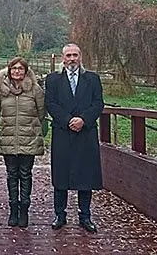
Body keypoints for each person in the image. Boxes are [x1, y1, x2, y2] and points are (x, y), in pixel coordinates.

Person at [45, 43, 104, 233]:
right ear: (63, 58)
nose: (72, 59)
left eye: (75, 55)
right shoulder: (53, 80)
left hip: (85, 133)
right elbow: (50, 103)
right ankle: (60, 215)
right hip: (63, 132)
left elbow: (98, 103)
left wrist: (83, 120)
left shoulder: (92, 79)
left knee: (85, 175)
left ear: (80, 56)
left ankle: (85, 216)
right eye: (68, 55)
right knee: (61, 175)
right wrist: (69, 120)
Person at [0, 57, 46, 228]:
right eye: (13, 68)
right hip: (9, 138)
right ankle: (13, 209)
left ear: (26, 71)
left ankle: (24, 209)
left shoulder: (35, 90)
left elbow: (40, 113)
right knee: (11, 175)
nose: (17, 71)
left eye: (20, 68)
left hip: (28, 139)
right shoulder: (1, 90)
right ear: (9, 71)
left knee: (25, 174)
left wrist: (31, 130)